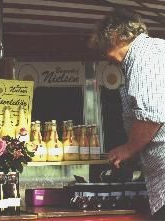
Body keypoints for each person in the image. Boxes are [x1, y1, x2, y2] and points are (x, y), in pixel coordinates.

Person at [91, 8, 165, 218]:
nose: (103, 54)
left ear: (114, 36)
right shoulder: (156, 50)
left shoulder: (145, 57)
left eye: (102, 46)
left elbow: (152, 114)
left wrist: (129, 149)